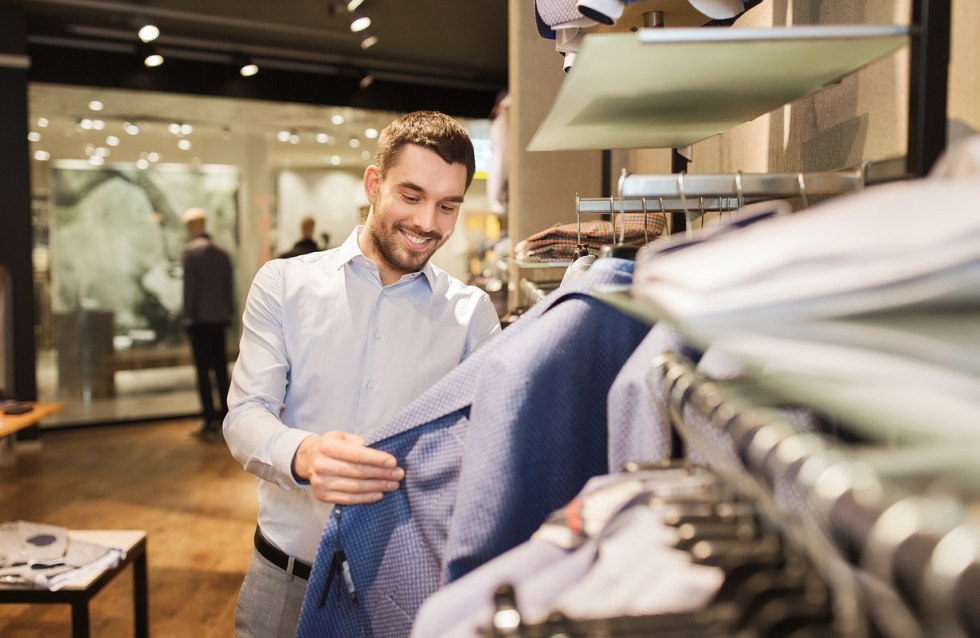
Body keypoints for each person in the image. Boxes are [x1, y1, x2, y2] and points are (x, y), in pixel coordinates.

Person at [224, 111, 502, 637]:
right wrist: (304, 454)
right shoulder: (283, 284)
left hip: (408, 586)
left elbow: (487, 445)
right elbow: (244, 416)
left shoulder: (472, 314)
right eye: (411, 196)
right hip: (286, 581)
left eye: (448, 206)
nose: (427, 223)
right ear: (374, 185)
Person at [180, 207, 235, 441]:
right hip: (220, 319)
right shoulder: (222, 253)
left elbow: (190, 290)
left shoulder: (191, 253)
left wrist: (187, 316)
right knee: (221, 371)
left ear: (193, 226)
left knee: (203, 372)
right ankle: (225, 417)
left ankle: (209, 419)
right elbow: (228, 288)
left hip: (200, 320)